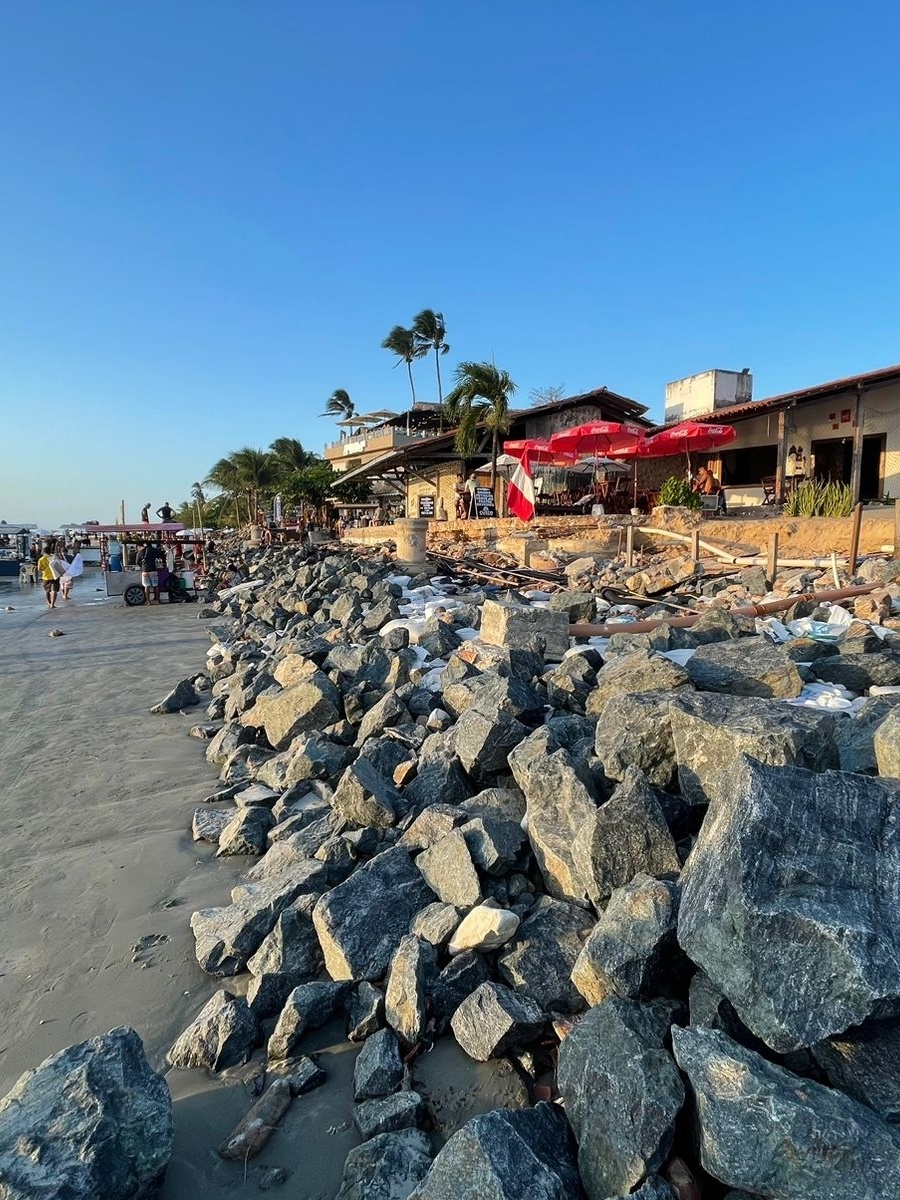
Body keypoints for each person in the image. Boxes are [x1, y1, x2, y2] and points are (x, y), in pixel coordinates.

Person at [139, 539, 164, 604]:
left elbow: (137, 561)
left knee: (147, 586)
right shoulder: (154, 550)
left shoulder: (141, 551)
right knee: (156, 586)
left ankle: (148, 601)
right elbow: (161, 555)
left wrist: (142, 566)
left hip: (145, 571)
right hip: (153, 570)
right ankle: (158, 600)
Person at [37, 543, 61, 609]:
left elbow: (39, 569)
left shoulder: (41, 559)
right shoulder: (54, 557)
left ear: (44, 552)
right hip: (55, 575)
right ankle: (52, 604)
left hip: (46, 577)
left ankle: (49, 603)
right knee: (54, 590)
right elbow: (60, 564)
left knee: (47, 591)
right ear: (50, 551)